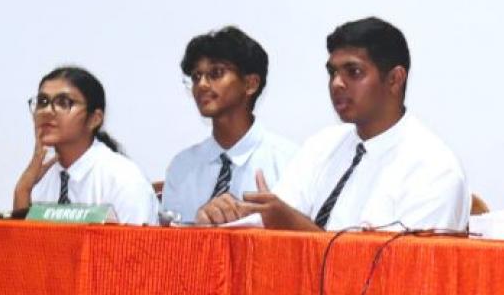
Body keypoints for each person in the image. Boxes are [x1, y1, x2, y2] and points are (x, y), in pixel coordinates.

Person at [197, 16, 469, 231]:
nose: (337, 83)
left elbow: (398, 275)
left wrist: (291, 225)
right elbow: (268, 221)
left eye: (353, 72)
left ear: (395, 79)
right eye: (332, 72)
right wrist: (225, 216)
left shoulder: (433, 168)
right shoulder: (323, 145)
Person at [161, 26, 298, 222]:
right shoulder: (182, 167)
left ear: (250, 84)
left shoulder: (289, 162)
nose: (202, 85)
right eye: (196, 77)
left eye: (216, 73)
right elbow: (168, 237)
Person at [14, 66, 159, 225]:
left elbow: (139, 240)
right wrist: (23, 189)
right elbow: (20, 239)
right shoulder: (40, 178)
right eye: (42, 102)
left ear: (94, 119)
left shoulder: (123, 179)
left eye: (63, 103)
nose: (47, 111)